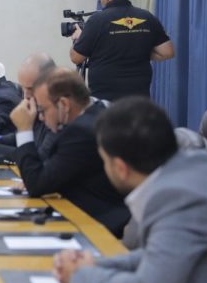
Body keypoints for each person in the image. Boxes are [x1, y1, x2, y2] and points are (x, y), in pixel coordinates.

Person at [54, 97, 207, 283]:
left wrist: (79, 278)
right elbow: (159, 254)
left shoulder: (176, 196)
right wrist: (93, 265)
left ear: (120, 168)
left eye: (104, 161)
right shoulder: (195, 164)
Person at [11, 68, 129, 237]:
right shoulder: (95, 114)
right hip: (85, 213)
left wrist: (24, 129)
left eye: (43, 110)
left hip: (97, 225)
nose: (41, 118)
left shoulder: (80, 131)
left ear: (64, 105)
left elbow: (36, 185)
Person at [69, 0, 175, 101]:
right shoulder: (147, 17)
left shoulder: (97, 20)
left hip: (106, 101)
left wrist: (78, 38)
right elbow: (167, 52)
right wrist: (138, 50)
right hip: (139, 100)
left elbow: (76, 58)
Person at [0, 53, 56, 163]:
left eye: (31, 89)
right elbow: (18, 137)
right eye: (23, 88)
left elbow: (38, 158)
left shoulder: (57, 116)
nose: (26, 96)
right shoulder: (37, 108)